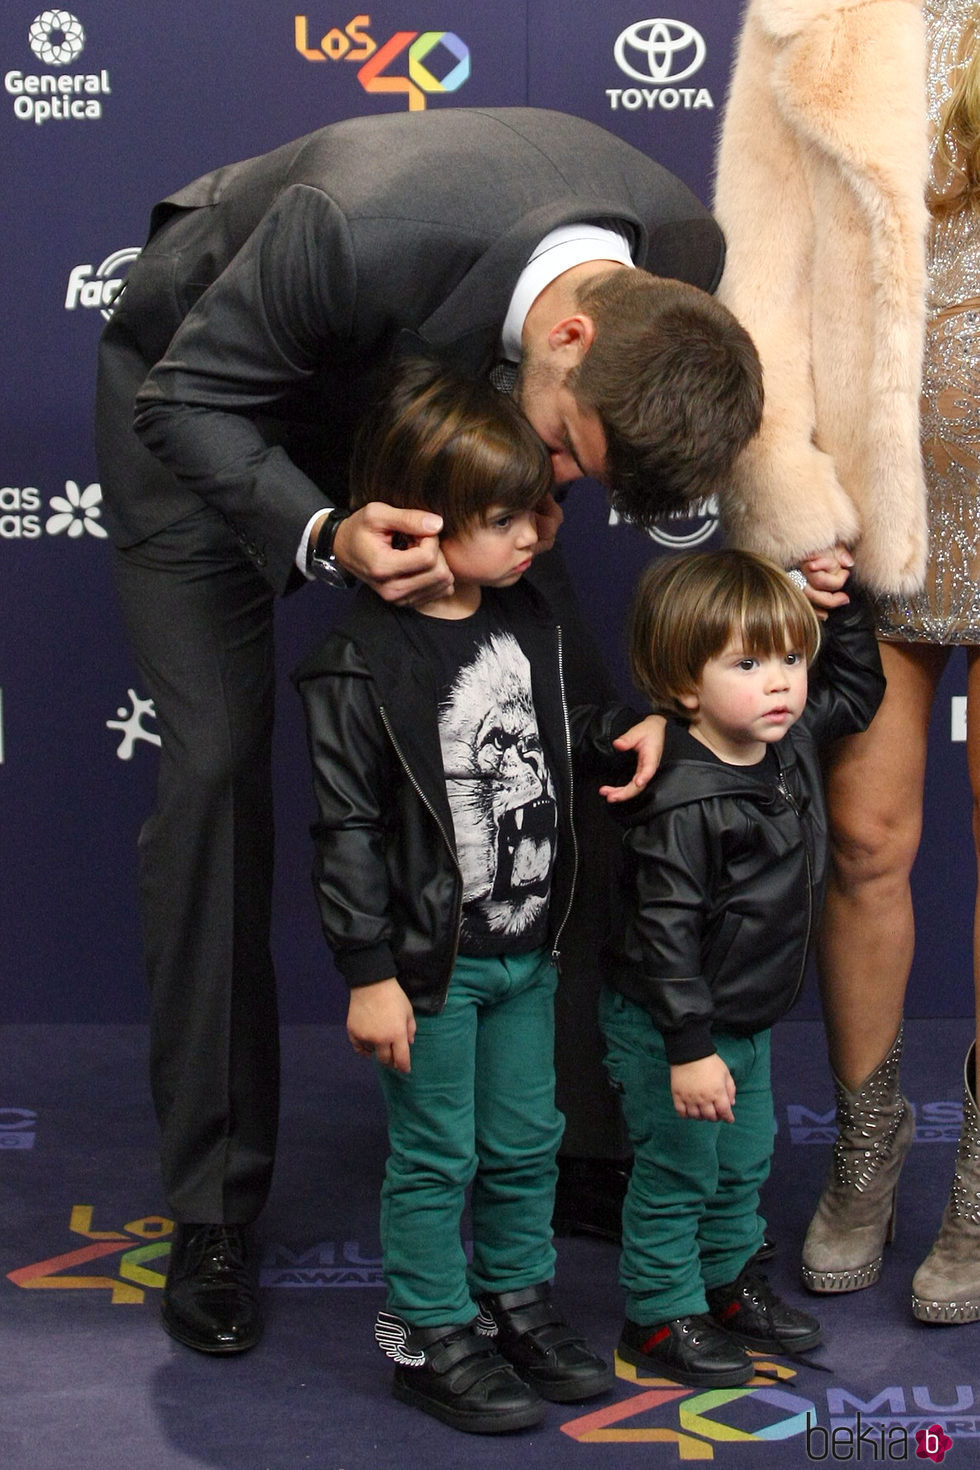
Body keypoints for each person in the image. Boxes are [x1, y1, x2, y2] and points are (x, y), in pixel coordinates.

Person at [94, 105, 764, 1353]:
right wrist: (318, 529)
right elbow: (187, 401)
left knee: (579, 737)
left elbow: (587, 469)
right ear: (567, 338)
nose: (563, 488)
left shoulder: (680, 248)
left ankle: (568, 1145)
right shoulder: (350, 225)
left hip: (439, 415)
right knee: (218, 771)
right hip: (209, 396)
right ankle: (213, 1210)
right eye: (568, 451)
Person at [293, 360, 663, 1432]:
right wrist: (370, 975)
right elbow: (348, 833)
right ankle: (426, 1328)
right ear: (420, 520)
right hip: (432, 968)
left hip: (528, 948)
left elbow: (560, 732)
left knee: (524, 1141)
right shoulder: (355, 666)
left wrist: (619, 729)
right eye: (504, 518)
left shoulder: (530, 622)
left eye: (534, 512)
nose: (534, 535)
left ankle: (512, 1301)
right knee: (434, 1154)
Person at [714, 0, 980, 1322]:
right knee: (866, 840)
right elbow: (757, 278)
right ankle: (869, 1141)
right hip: (882, 512)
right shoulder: (802, 16)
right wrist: (787, 499)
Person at [598, 550, 885, 1387]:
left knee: (744, 1158)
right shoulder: (682, 799)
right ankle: (657, 1313)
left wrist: (850, 604)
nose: (781, 685)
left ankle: (725, 1286)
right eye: (748, 664)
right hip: (672, 1028)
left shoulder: (787, 740)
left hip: (743, 1017)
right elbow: (663, 937)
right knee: (679, 1170)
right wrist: (687, 1047)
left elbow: (858, 693)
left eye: (793, 659)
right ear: (684, 684)